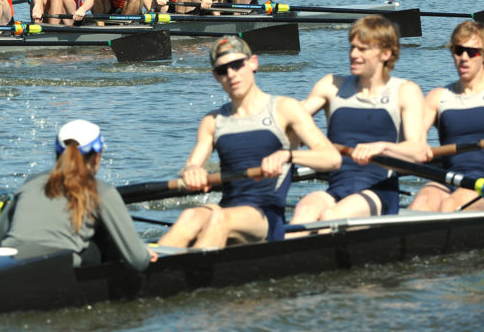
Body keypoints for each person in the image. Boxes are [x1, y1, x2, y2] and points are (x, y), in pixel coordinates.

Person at [157, 37, 340, 249]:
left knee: (220, 219)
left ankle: (179, 276)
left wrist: (288, 156)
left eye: (237, 65)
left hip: (266, 217)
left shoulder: (284, 109)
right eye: (223, 70)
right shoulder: (212, 121)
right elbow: (191, 165)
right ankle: (147, 271)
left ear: (253, 62)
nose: (232, 74)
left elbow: (332, 158)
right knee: (190, 216)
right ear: (216, 76)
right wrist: (190, 171)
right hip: (227, 210)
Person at [289, 16, 428, 226]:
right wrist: (293, 131)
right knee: (305, 210)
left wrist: (381, 147)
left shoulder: (405, 91)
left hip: (379, 192)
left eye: (363, 49)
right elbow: (291, 117)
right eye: (352, 47)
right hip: (337, 188)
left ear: (386, 53)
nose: (353, 54)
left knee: (330, 217)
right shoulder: (331, 86)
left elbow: (418, 151)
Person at [0, 120, 154, 270]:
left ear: (58, 155)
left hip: (8, 265)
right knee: (103, 238)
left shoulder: (30, 183)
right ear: (97, 157)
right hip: (57, 269)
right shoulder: (103, 192)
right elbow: (139, 262)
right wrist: (143, 252)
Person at [410, 21, 484, 213]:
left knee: (450, 205)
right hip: (449, 178)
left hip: (481, 183)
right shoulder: (438, 97)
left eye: (472, 52)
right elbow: (413, 141)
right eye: (458, 50)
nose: (464, 58)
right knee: (422, 204)